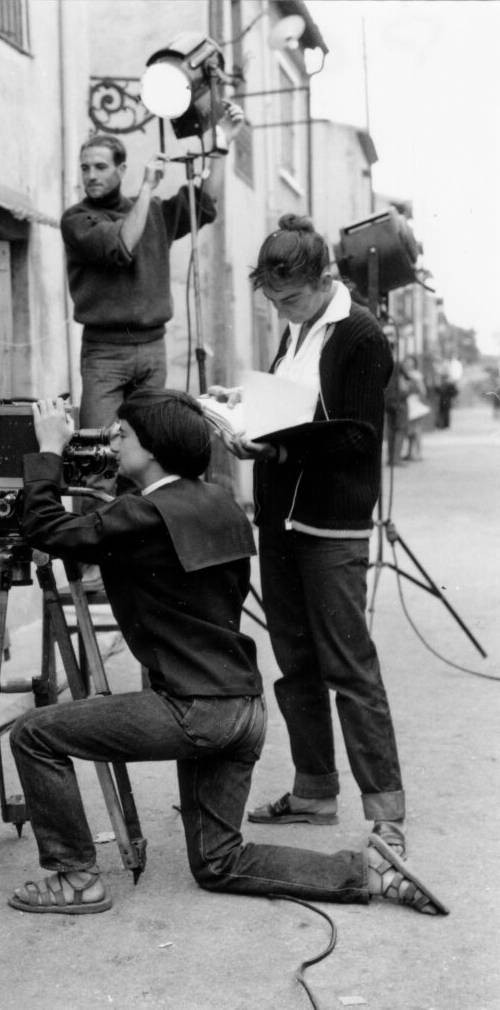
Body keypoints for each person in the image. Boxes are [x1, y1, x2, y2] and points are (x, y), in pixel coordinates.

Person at [5, 392, 446, 918]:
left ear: (156, 448)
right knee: (218, 862)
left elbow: (49, 530)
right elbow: (156, 538)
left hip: (194, 712)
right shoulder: (218, 502)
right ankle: (370, 875)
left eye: (123, 434)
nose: (112, 442)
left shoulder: (141, 517)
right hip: (243, 712)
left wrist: (48, 454)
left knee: (33, 733)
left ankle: (76, 878)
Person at [209, 215, 408, 857]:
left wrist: (272, 443)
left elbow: (355, 436)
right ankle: (314, 793)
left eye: (292, 299)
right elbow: (293, 409)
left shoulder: (361, 336)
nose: (284, 310)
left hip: (330, 522)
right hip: (281, 519)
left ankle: (387, 814)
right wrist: (241, 408)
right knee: (294, 664)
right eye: (274, 301)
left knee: (348, 667)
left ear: (324, 278)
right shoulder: (297, 334)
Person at [61, 106, 243, 587]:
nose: (91, 175)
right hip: (104, 350)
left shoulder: (155, 214)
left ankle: (142, 548)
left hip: (152, 346)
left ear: (119, 168)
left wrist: (221, 143)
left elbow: (205, 201)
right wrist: (146, 190)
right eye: (85, 167)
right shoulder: (78, 220)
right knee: (95, 454)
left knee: (150, 452)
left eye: (101, 166)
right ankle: (91, 562)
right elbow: (121, 245)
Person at [400, 354, 428, 461]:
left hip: (414, 403)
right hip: (407, 402)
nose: (408, 364)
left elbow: (423, 391)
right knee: (410, 430)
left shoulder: (416, 375)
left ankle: (417, 452)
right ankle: (410, 452)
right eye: (406, 362)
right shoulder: (404, 374)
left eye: (410, 362)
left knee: (416, 430)